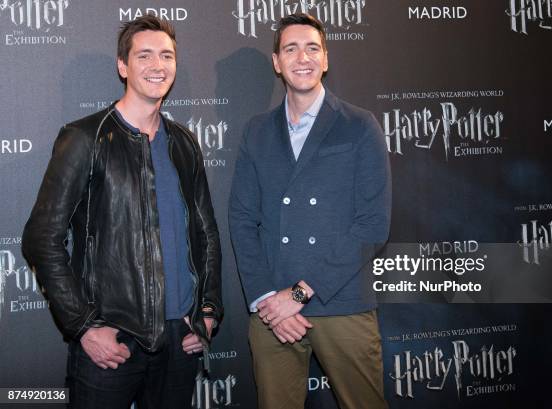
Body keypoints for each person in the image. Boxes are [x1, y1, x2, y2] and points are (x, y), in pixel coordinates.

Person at [22, 14, 222, 409]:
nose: (157, 65)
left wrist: (209, 310)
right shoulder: (84, 138)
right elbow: (41, 239)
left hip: (180, 338)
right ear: (122, 66)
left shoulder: (184, 143)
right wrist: (83, 326)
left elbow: (206, 233)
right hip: (112, 339)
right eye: (144, 55)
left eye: (166, 56)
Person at [229, 13, 391, 409]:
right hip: (272, 313)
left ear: (326, 59)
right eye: (291, 48)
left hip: (342, 303)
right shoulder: (256, 131)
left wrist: (299, 293)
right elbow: (242, 220)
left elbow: (372, 226)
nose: (302, 57)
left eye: (312, 48)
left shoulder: (359, 125)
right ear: (276, 62)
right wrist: (270, 299)